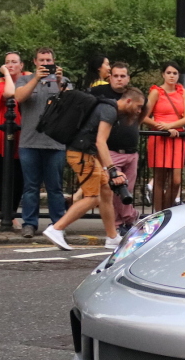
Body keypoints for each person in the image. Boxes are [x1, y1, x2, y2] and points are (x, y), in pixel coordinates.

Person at [42, 87, 145, 250]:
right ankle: (56, 228)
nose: (140, 111)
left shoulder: (108, 108)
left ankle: (112, 237)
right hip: (81, 155)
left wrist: (108, 170)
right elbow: (100, 142)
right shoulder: (109, 111)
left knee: (106, 191)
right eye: (138, 106)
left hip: (86, 154)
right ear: (129, 101)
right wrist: (112, 170)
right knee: (93, 197)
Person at [13, 47, 70, 238]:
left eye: (48, 60)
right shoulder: (24, 80)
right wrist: (36, 79)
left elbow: (71, 104)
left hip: (55, 143)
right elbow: (19, 98)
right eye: (41, 60)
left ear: (54, 61)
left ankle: (58, 224)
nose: (45, 63)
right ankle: (29, 224)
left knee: (55, 187)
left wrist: (60, 82)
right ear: (35, 62)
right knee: (30, 187)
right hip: (29, 142)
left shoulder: (63, 81)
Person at [95, 61, 146, 232]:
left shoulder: (134, 95)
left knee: (127, 189)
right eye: (115, 76)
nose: (119, 79)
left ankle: (127, 220)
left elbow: (143, 112)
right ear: (109, 77)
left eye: (122, 76)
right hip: (111, 149)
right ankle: (118, 224)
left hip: (131, 150)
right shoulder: (101, 95)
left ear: (128, 78)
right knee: (115, 188)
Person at [0, 52, 29, 231]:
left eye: (14, 62)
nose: (10, 65)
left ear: (21, 65)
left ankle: (13, 212)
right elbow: (10, 93)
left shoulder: (27, 77)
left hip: (20, 131)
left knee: (19, 176)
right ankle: (6, 216)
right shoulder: (0, 82)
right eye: (7, 63)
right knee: (2, 175)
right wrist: (8, 74)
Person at [143, 61, 185, 214]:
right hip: (160, 136)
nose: (172, 76)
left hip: (177, 136)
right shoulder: (156, 92)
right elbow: (143, 116)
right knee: (159, 179)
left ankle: (166, 211)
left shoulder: (182, 92)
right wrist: (161, 127)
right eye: (169, 73)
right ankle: (159, 213)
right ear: (163, 74)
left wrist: (171, 126)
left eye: (175, 73)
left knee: (176, 180)